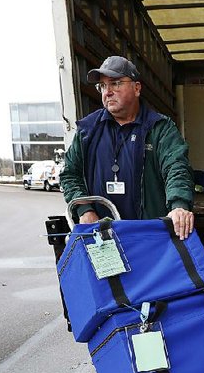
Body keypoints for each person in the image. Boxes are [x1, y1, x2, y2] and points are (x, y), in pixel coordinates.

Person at [60, 55, 195, 240]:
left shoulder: (160, 128)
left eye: (115, 83)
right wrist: (84, 210)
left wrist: (179, 205)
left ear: (137, 88)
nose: (107, 92)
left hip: (150, 236)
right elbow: (70, 174)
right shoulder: (87, 131)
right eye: (102, 86)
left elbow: (176, 167)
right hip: (103, 237)